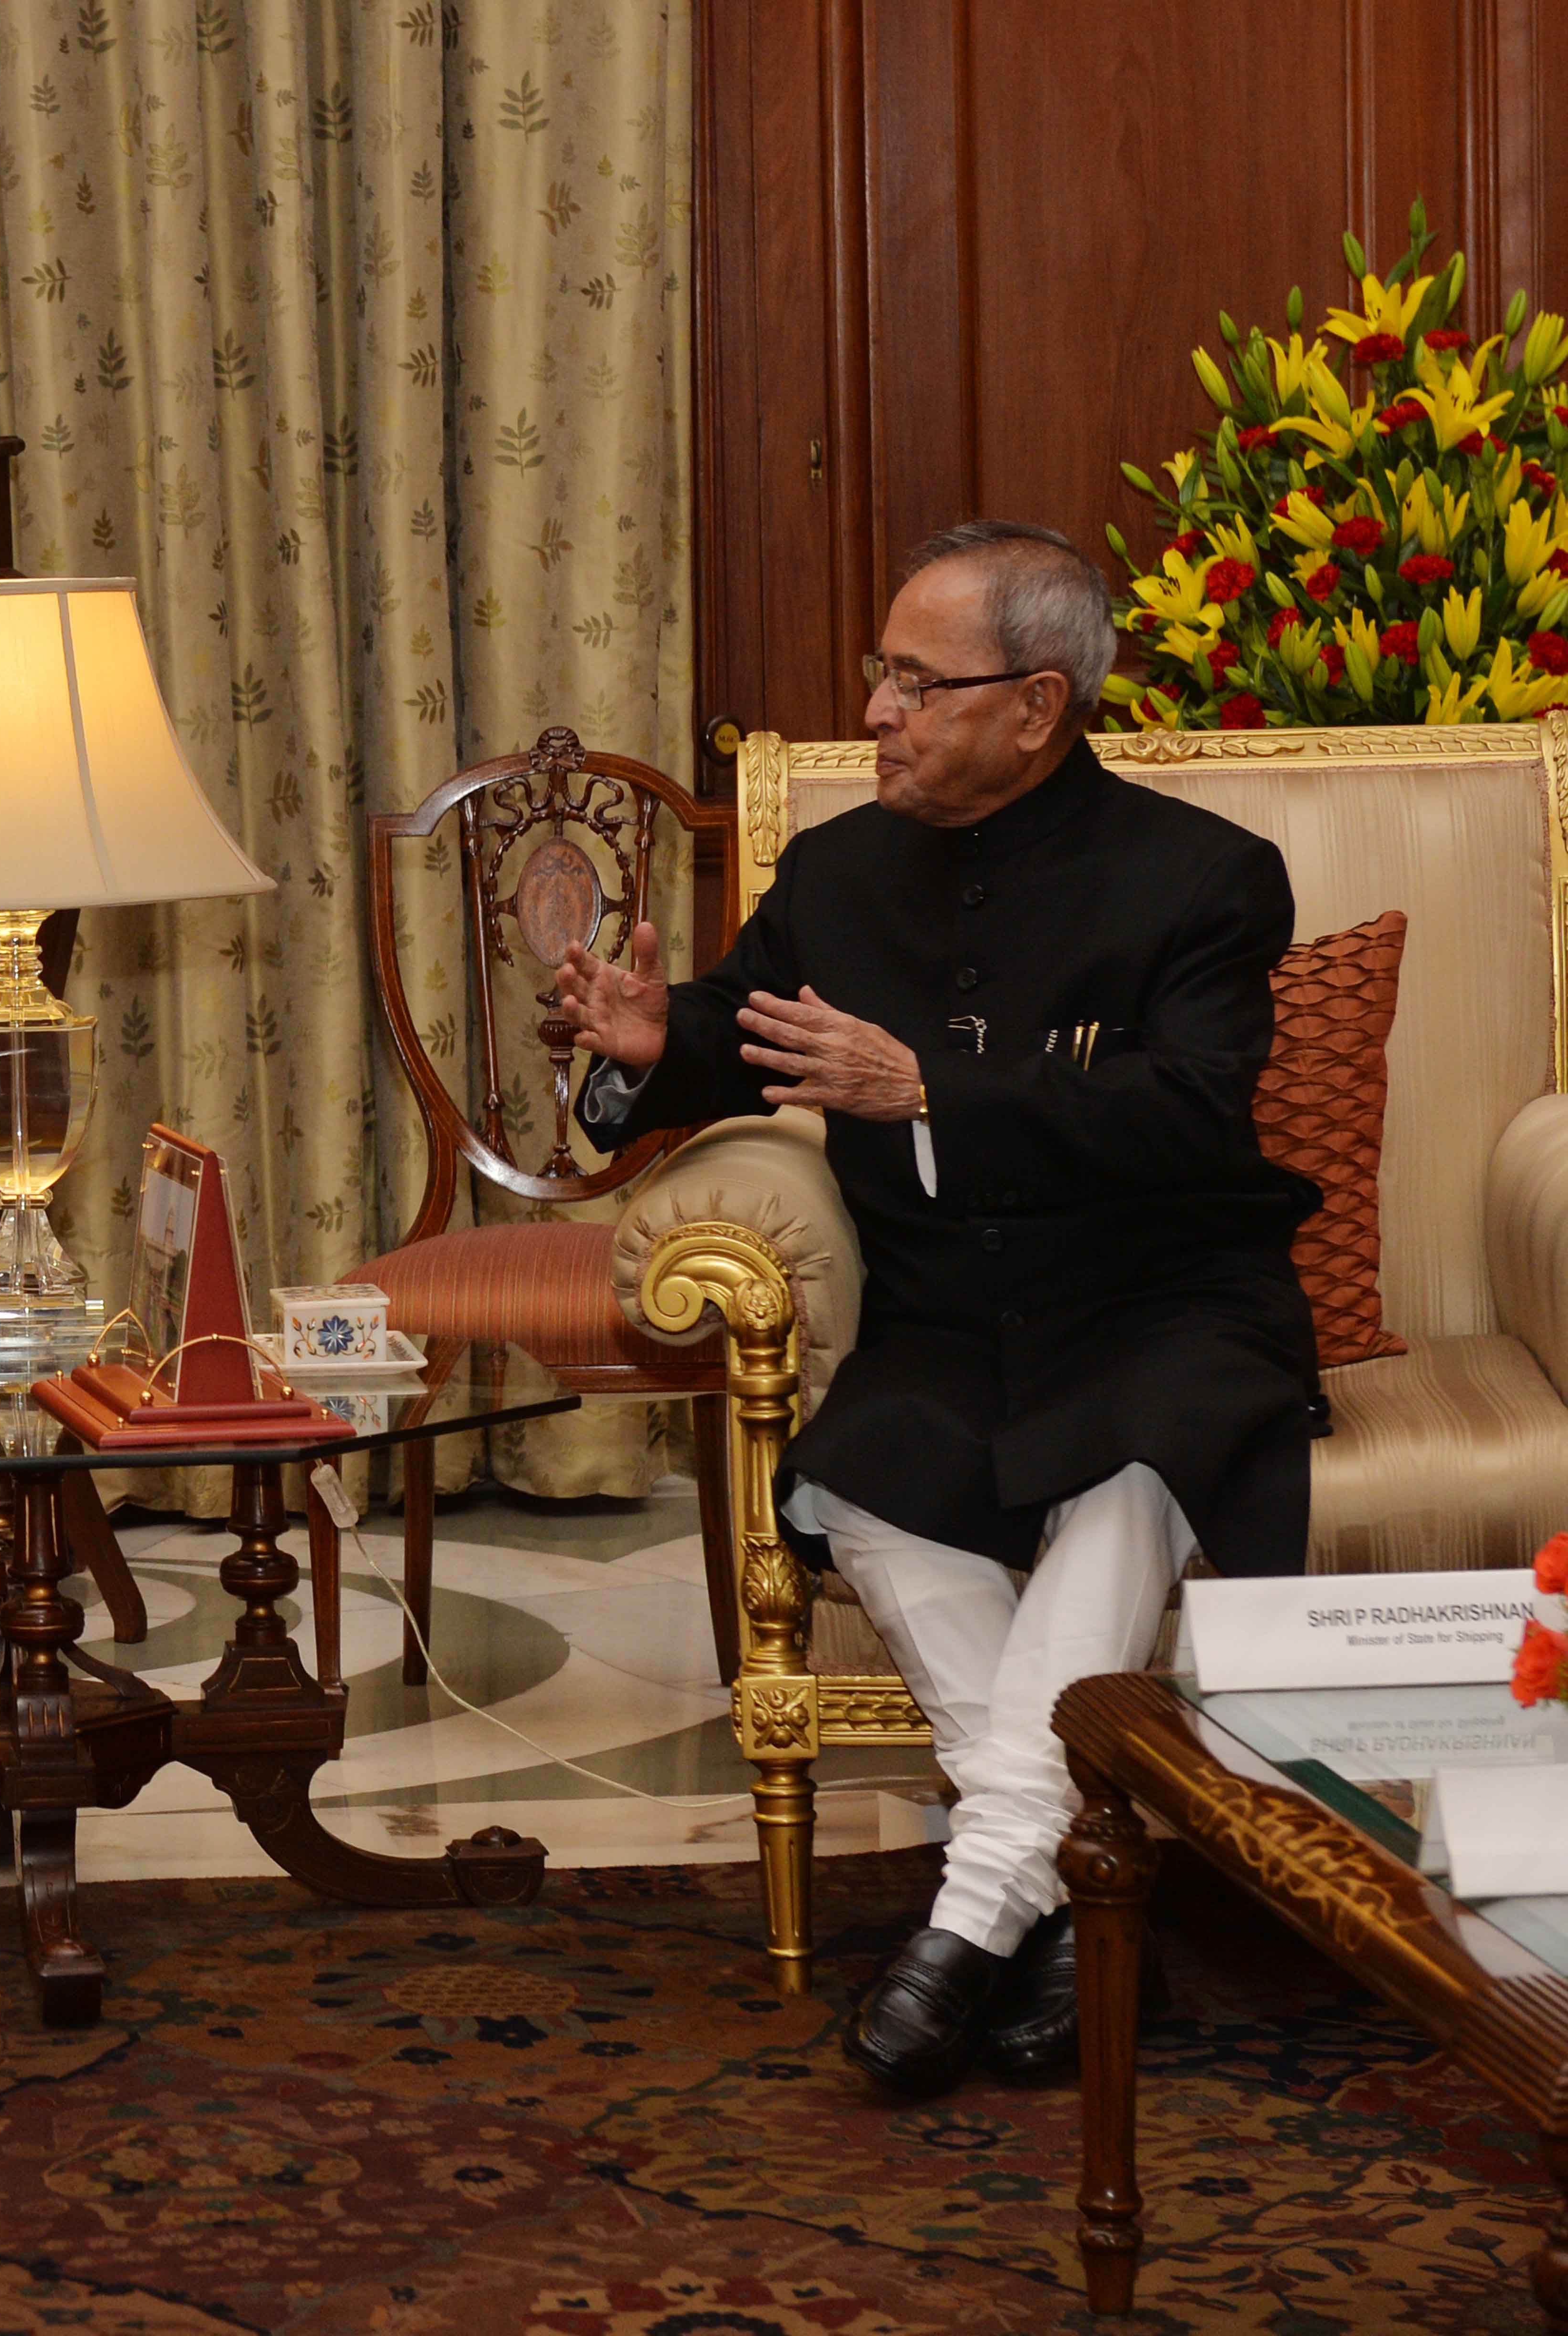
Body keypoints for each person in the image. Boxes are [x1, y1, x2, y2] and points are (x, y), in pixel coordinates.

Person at [557, 521, 1318, 2095]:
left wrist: (935, 1091)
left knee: (1132, 1468)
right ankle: (1069, 1904)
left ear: (1037, 706)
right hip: (953, 1314)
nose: (878, 710)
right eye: (877, 674)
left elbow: (1191, 1114)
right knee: (862, 1472)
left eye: (916, 680)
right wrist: (648, 1044)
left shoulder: (1208, 880)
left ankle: (976, 1901)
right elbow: (738, 1034)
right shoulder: (837, 869)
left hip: (1165, 1299)